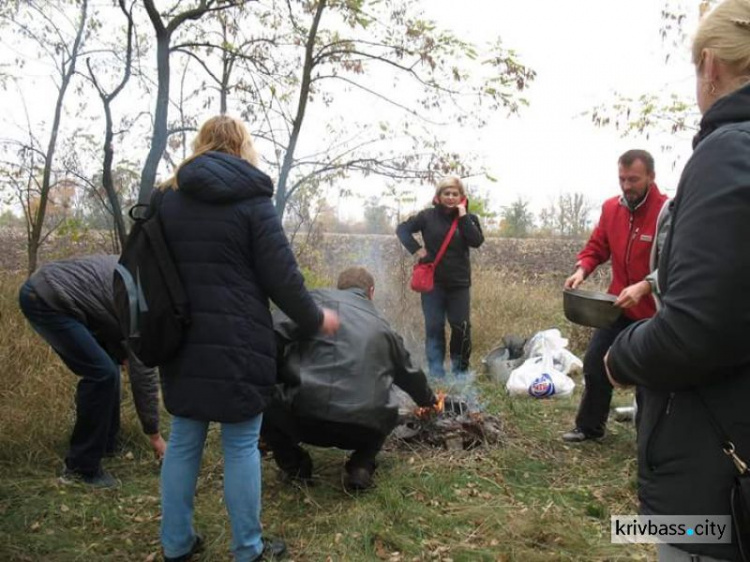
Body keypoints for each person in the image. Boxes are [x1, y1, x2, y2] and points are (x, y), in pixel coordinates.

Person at [156, 115, 339, 562]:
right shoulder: (253, 200)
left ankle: (176, 545)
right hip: (238, 339)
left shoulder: (166, 198)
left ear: (201, 144)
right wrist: (315, 319)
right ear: (243, 146)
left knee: (183, 439)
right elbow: (282, 278)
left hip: (178, 338)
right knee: (240, 444)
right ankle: (248, 551)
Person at [606, 2, 750, 560]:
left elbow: (696, 330)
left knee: (676, 538)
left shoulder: (727, 152)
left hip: (716, 472)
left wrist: (622, 357)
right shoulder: (611, 208)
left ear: (710, 65)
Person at [263, 267, 437, 491]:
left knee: (261, 397)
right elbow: (410, 375)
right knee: (386, 407)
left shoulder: (313, 301)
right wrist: (430, 402)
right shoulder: (384, 326)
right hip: (363, 428)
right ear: (371, 292)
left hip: (304, 417)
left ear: (339, 287)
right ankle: (362, 464)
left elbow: (270, 335)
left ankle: (296, 467)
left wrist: (277, 374)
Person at [18, 255, 165, 488]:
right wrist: (154, 435)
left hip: (53, 292)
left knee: (109, 367)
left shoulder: (139, 270)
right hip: (47, 300)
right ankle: (80, 469)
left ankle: (106, 443)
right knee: (102, 374)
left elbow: (105, 313)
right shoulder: (142, 299)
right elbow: (144, 374)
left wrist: (122, 353)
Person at [561, 149, 667, 443]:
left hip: (654, 311)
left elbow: (676, 262)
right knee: (595, 361)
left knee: (649, 377)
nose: (627, 186)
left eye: (633, 179)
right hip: (617, 306)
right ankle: (590, 428)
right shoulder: (611, 209)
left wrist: (646, 285)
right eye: (622, 179)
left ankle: (648, 441)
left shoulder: (666, 211)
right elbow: (597, 247)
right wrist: (582, 269)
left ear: (651, 177)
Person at [396, 176, 484, 377]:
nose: (451, 197)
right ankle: (436, 372)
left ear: (461, 197)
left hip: (459, 284)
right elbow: (402, 230)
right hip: (432, 284)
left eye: (455, 194)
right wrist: (417, 250)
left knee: (461, 327)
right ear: (439, 196)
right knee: (434, 327)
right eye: (447, 193)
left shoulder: (469, 219)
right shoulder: (427, 217)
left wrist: (462, 216)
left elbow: (476, 241)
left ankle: (460, 371)